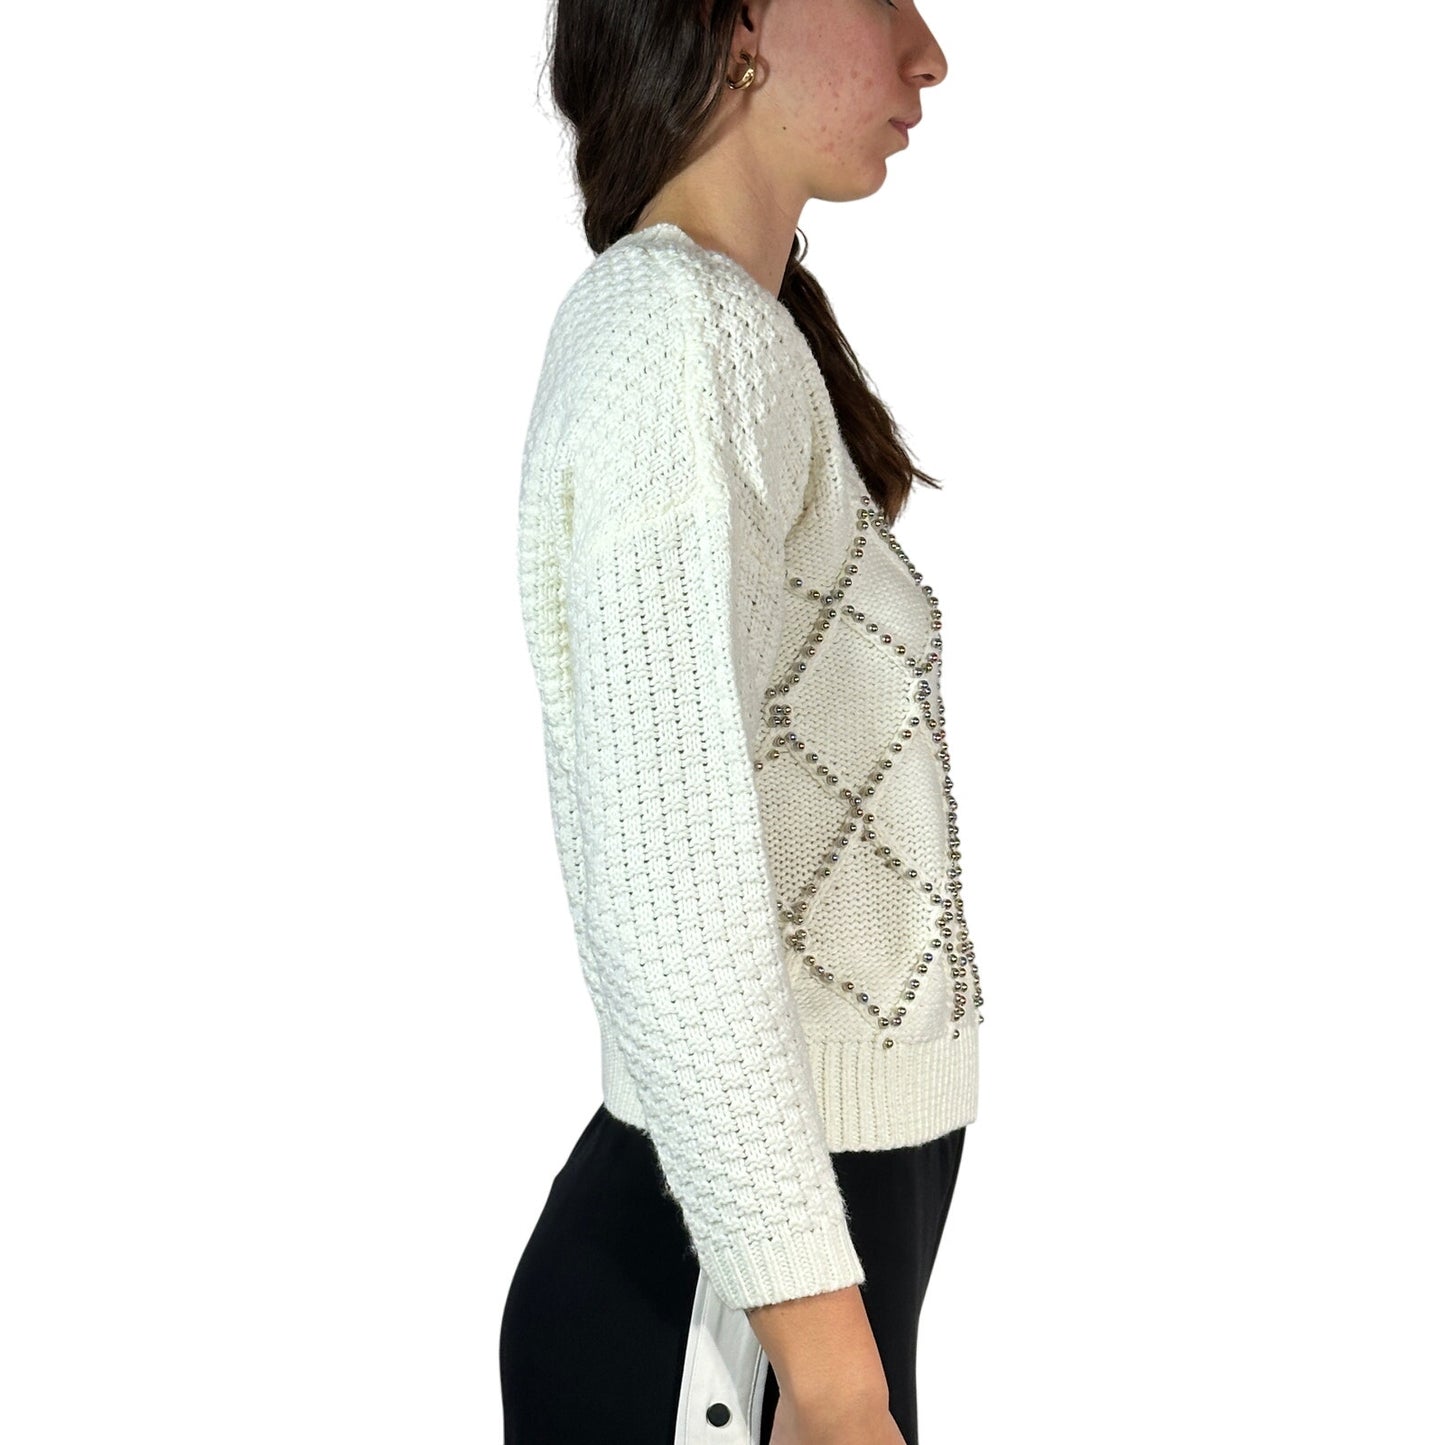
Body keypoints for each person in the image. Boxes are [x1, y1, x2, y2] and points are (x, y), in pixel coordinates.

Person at [503, 2, 984, 1441]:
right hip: (735, 1319)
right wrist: (830, 1379)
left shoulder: (730, 330)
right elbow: (668, 892)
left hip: (782, 1278)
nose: (927, 51)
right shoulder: (672, 337)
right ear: (737, 23)